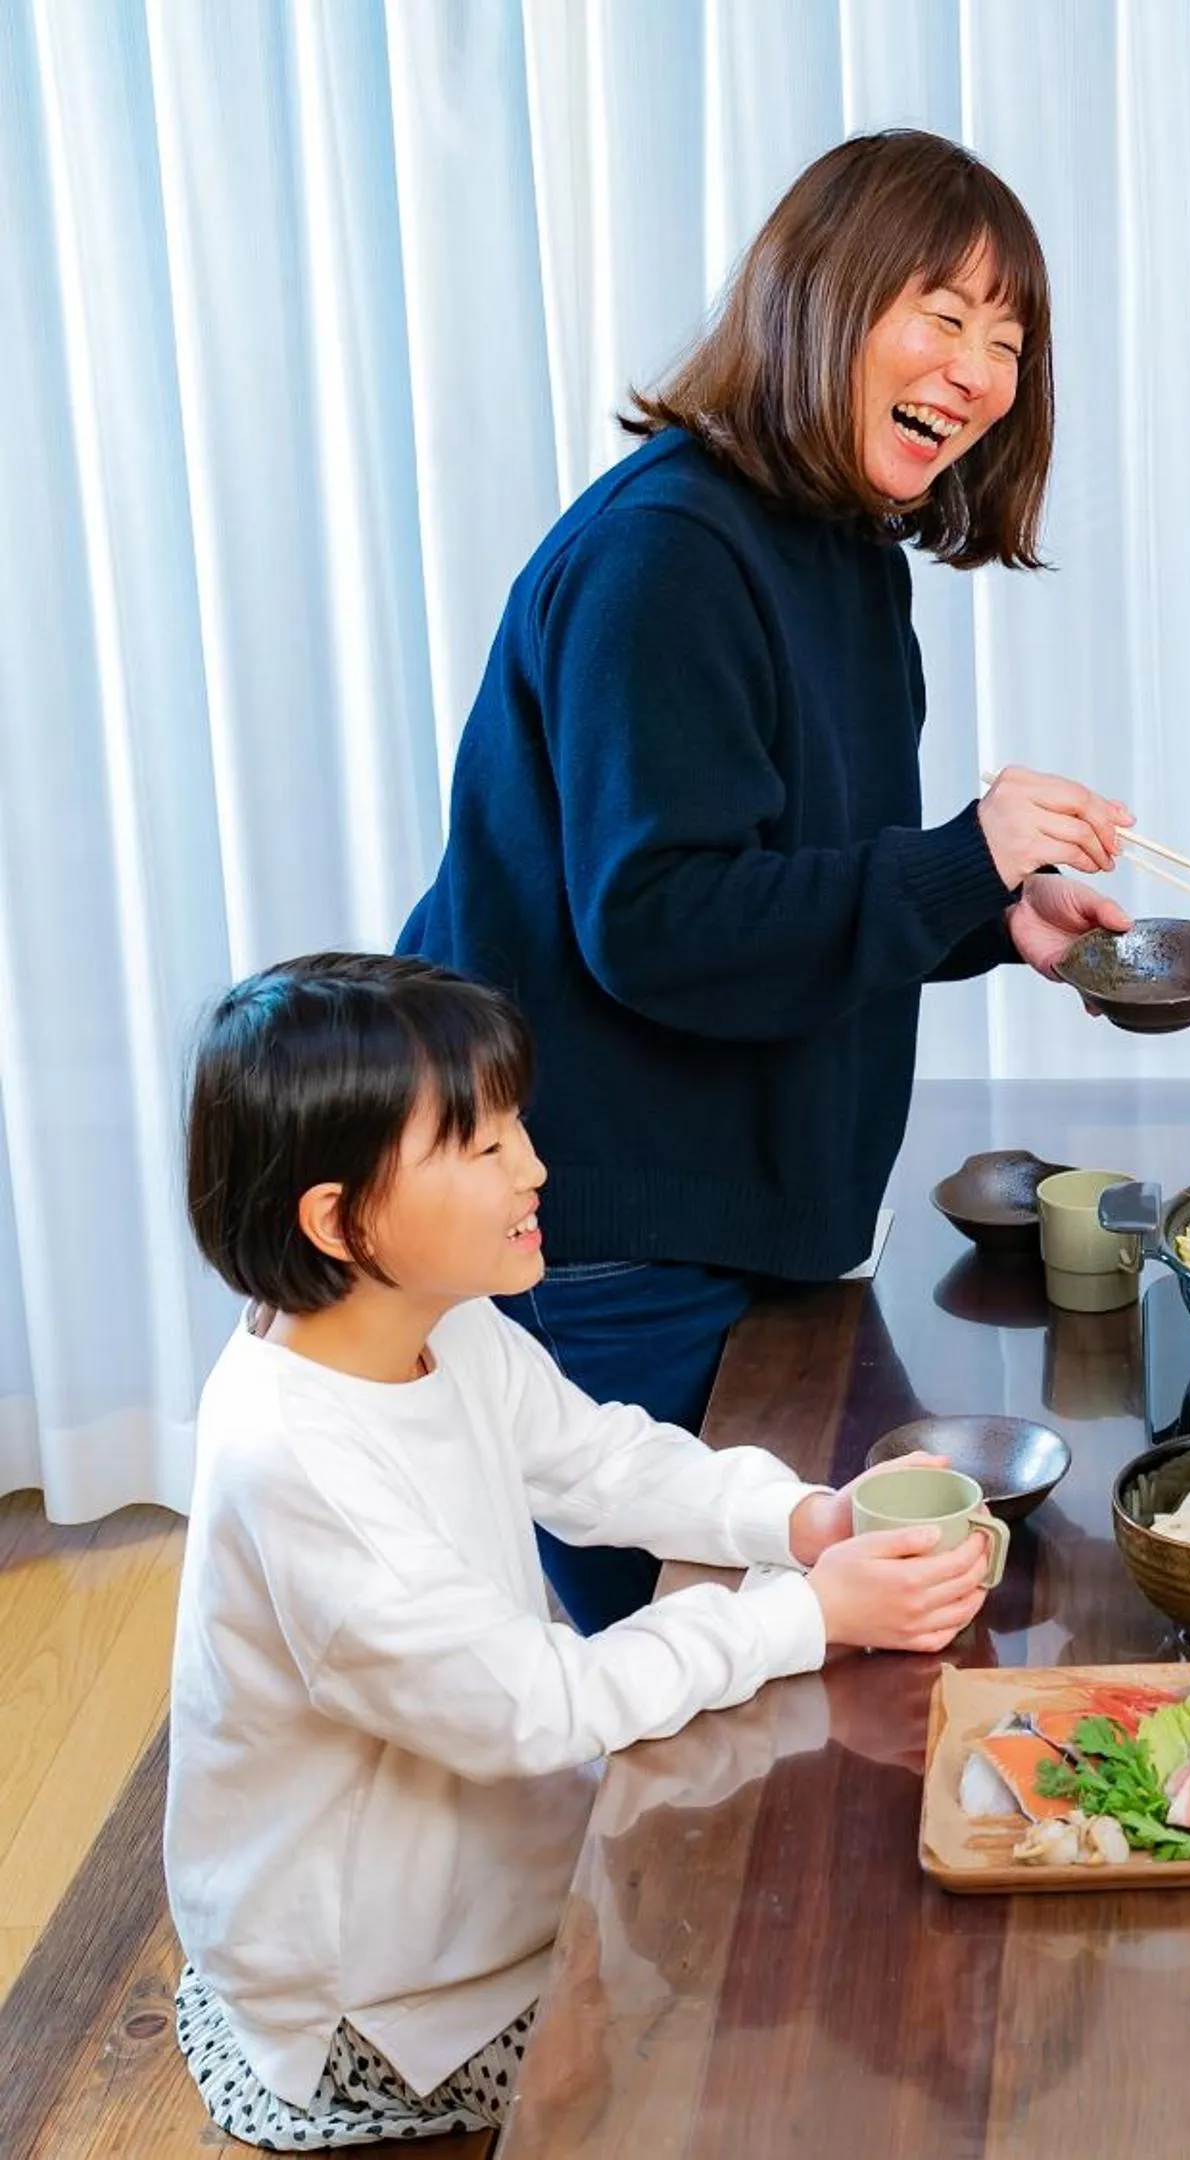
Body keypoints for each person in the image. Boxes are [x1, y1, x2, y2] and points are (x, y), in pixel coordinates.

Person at [398, 130, 1131, 1634]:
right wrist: (958, 854)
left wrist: (993, 915)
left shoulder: (841, 550)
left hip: (752, 1211)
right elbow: (661, 926)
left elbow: (786, 884)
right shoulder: (668, 551)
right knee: (697, 1730)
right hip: (615, 1228)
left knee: (794, 1680)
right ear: (825, 299)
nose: (980, 371)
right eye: (946, 314)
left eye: (1009, 339)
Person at [167, 954, 989, 2148]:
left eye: (515, 1126)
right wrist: (806, 1615)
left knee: (805, 1919)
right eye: (481, 1146)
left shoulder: (431, 1319)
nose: (534, 1166)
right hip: (385, 1991)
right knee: (754, 2056)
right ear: (339, 1218)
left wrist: (796, 1519)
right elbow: (531, 1708)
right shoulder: (299, 1468)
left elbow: (596, 1462)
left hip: (490, 1868)